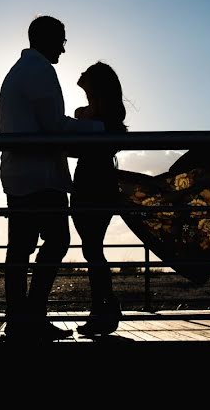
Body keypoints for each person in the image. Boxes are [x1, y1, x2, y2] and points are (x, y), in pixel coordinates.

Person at [0, 15, 103, 342]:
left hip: (21, 173)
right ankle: (30, 315)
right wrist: (98, 129)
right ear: (47, 39)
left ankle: (21, 317)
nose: (64, 48)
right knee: (55, 241)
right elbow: (54, 127)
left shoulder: (19, 71)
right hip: (40, 176)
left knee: (21, 247)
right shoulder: (41, 71)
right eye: (62, 40)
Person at [72, 62, 127, 336]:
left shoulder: (96, 114)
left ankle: (104, 308)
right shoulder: (100, 113)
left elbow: (76, 142)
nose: (80, 75)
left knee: (92, 248)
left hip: (92, 182)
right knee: (92, 248)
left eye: (86, 73)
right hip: (94, 181)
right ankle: (103, 307)